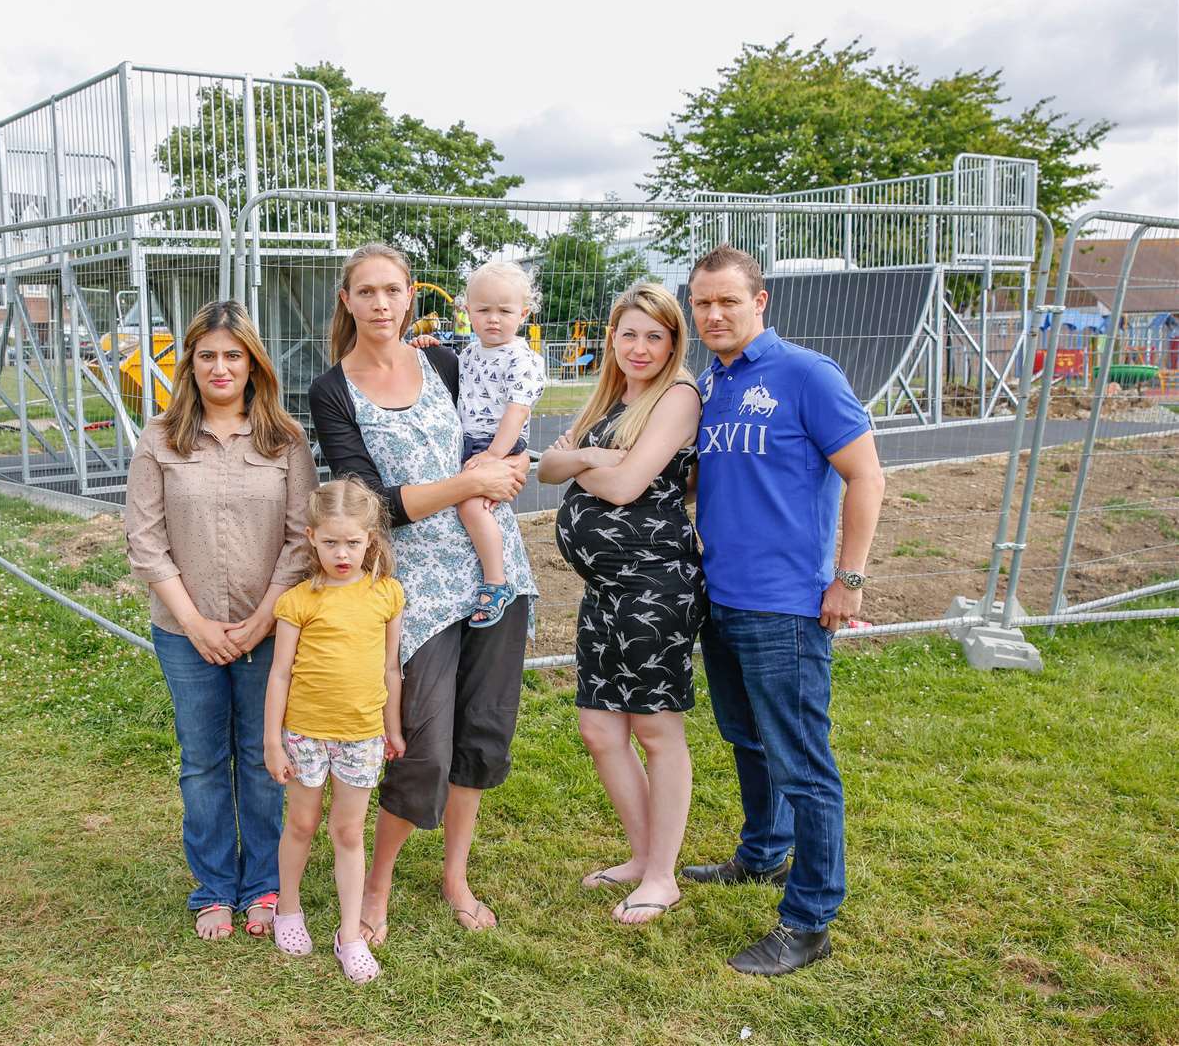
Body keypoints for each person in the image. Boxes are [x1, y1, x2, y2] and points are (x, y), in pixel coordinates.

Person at [307, 243, 536, 942]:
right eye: (366, 292)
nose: (381, 304)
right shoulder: (331, 389)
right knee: (424, 745)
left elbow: (500, 424)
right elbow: (369, 502)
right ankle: (375, 888)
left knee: (481, 733)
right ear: (347, 301)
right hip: (415, 587)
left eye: (393, 290)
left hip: (495, 570)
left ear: (412, 296)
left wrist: (506, 466)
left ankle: (455, 876)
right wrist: (469, 484)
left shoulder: (443, 361)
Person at [681, 244, 885, 975]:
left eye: (727, 301)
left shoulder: (806, 374)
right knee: (747, 739)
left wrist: (848, 579)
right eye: (701, 303)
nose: (712, 314)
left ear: (760, 301)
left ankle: (809, 919)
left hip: (787, 608)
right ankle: (764, 854)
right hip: (722, 598)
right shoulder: (714, 383)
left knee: (803, 764)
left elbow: (866, 475)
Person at [123, 300, 317, 942]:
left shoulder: (286, 440)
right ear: (190, 364)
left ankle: (262, 884)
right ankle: (212, 887)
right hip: (186, 633)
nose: (220, 366)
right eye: (206, 355)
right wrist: (196, 623)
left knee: (263, 760)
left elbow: (299, 539)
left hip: (267, 631)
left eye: (233, 355)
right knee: (204, 760)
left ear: (254, 363)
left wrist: (264, 618)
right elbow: (146, 542)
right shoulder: (160, 438)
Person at [538, 282, 706, 928]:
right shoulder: (609, 397)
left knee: (656, 730)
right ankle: (642, 857)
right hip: (606, 588)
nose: (640, 347)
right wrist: (588, 457)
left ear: (673, 343)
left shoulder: (679, 396)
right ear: (611, 337)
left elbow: (631, 482)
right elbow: (547, 469)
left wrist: (580, 461)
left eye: (655, 336)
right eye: (629, 333)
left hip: (654, 587)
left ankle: (662, 876)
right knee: (599, 728)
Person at [263, 478, 406, 984]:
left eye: (352, 542)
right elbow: (279, 673)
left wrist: (392, 728)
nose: (341, 553)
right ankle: (289, 909)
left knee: (347, 832)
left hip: (362, 736)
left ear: (371, 540)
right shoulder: (299, 601)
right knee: (301, 824)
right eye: (330, 542)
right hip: (305, 733)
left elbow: (391, 668)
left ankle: (349, 935)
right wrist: (273, 740)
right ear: (311, 538)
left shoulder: (387, 595)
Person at [453, 261, 547, 627]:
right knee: (465, 503)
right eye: (483, 310)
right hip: (470, 440)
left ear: (523, 313)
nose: (494, 319)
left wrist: (495, 455)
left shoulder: (522, 359)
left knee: (472, 506)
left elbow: (516, 411)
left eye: (504, 311)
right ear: (467, 312)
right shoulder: (471, 353)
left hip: (498, 442)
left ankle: (497, 581)